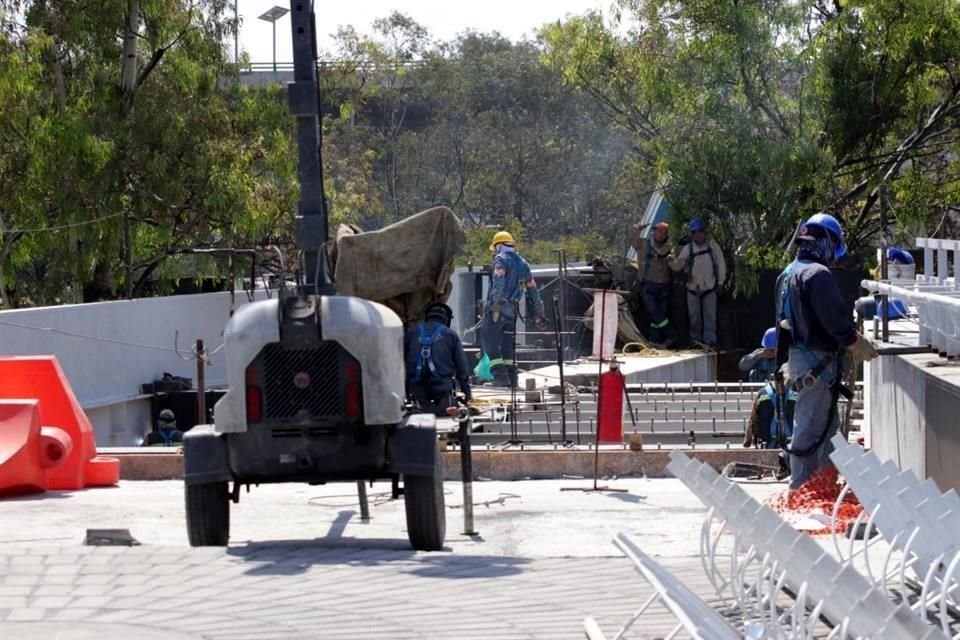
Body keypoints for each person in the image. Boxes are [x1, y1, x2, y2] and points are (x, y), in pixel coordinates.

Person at [775, 212, 878, 490]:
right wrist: (854, 341)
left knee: (825, 429)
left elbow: (782, 327)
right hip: (817, 362)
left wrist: (779, 365)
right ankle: (801, 490)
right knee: (810, 427)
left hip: (801, 361)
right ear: (828, 242)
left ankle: (823, 486)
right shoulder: (817, 274)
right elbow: (833, 318)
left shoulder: (788, 274)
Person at [482, 231, 545, 387]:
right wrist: (539, 310)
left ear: (499, 245)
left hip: (499, 309)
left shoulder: (500, 260)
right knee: (507, 345)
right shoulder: (523, 263)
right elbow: (532, 289)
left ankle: (500, 377)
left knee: (489, 342)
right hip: (512, 311)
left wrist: (495, 302)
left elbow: (498, 279)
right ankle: (512, 378)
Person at [404, 302, 472, 416]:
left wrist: (405, 391)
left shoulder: (412, 332)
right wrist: (466, 392)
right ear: (447, 319)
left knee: (418, 410)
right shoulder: (451, 335)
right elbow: (462, 367)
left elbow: (400, 362)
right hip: (442, 388)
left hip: (416, 388)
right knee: (448, 411)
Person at [670, 218, 726, 347]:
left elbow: (721, 264)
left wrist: (721, 283)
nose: (698, 234)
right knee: (694, 317)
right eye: (694, 232)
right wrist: (670, 261)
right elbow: (678, 265)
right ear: (692, 234)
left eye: (700, 231)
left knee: (710, 316)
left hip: (710, 288)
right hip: (692, 289)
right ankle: (696, 342)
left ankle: (710, 341)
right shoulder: (688, 249)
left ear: (704, 232)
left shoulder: (713, 247)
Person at [635, 222, 675, 347]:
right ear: (654, 232)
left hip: (664, 286)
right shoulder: (644, 244)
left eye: (664, 233)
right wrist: (637, 230)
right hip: (648, 285)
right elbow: (632, 241)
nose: (661, 235)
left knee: (659, 315)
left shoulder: (668, 248)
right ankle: (671, 335)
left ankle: (654, 341)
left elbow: (673, 260)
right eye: (660, 232)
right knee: (654, 311)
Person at [743, 380, 797, 449]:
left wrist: (748, 441)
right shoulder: (796, 396)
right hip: (791, 444)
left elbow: (753, 419)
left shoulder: (762, 394)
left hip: (766, 443)